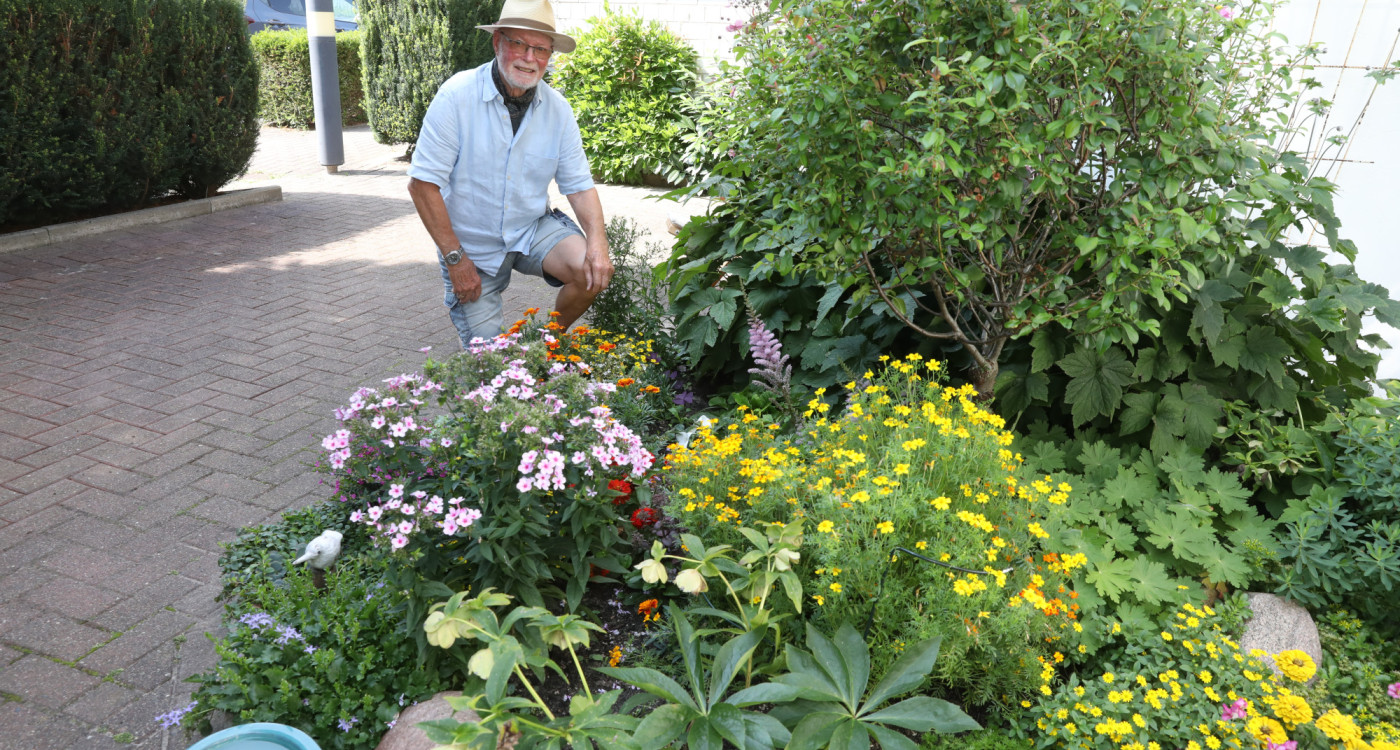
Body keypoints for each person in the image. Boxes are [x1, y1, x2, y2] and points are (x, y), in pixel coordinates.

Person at [407, 0, 613, 349]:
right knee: (491, 361)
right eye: (518, 43)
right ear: (497, 42)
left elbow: (578, 186)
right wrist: (455, 260)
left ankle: (545, 345)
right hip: (470, 245)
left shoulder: (558, 110)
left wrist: (599, 243)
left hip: (530, 228)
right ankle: (510, 365)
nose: (529, 58)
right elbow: (423, 185)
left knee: (589, 271)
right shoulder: (457, 96)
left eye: (541, 49)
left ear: (549, 55)